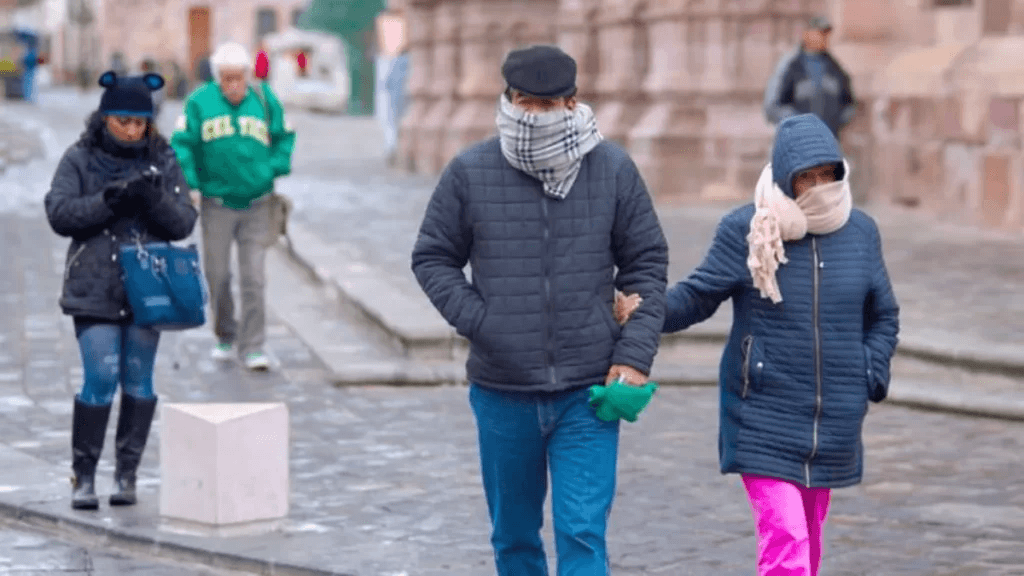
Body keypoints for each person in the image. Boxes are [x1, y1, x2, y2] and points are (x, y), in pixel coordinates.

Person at [411, 45, 668, 576]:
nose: (538, 116)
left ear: (572, 105)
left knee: (582, 532)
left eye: (550, 106)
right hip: (503, 390)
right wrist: (484, 323)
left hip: (588, 391)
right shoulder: (469, 171)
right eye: (527, 103)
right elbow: (433, 257)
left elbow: (646, 265)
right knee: (514, 537)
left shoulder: (614, 169)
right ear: (507, 100)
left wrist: (636, 353)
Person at [617, 113, 900, 576]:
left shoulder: (861, 232)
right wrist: (644, 310)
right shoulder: (747, 229)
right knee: (787, 539)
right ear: (786, 178)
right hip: (762, 411)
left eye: (825, 175)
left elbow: (883, 313)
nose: (816, 187)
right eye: (805, 178)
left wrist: (869, 370)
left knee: (809, 540)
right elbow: (698, 295)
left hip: (833, 418)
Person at [44, 71, 198, 510]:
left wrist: (153, 201)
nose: (133, 130)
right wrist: (108, 200)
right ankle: (84, 475)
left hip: (148, 287)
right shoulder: (79, 158)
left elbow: (184, 221)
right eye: (123, 121)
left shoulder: (163, 158)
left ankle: (127, 474)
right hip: (94, 285)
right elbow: (58, 212)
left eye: (140, 123)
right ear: (105, 117)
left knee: (139, 380)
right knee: (100, 378)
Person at [171, 41, 296, 371]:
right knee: (219, 275)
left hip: (258, 203)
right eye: (226, 79)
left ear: (247, 76)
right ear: (217, 79)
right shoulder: (199, 103)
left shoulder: (265, 100)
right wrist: (192, 184)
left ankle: (254, 345)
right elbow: (182, 144)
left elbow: (284, 136)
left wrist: (274, 167)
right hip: (217, 204)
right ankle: (226, 334)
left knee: (253, 277)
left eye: (238, 78)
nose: (234, 86)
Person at [763, 15, 855, 139]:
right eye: (819, 33)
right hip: (798, 143)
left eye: (825, 34)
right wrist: (799, 125)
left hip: (827, 141)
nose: (823, 38)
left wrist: (836, 123)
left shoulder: (835, 69)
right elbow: (773, 106)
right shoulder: (789, 66)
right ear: (806, 34)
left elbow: (848, 103)